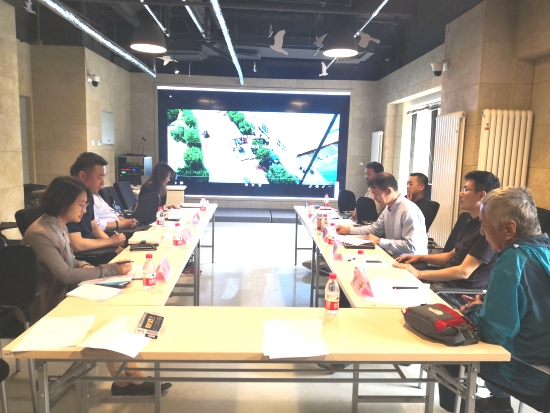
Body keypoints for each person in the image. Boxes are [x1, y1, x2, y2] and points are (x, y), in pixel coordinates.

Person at [20, 176, 172, 396]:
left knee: (114, 308)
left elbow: (69, 261)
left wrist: (85, 265)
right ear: (64, 202)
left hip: (64, 293)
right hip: (48, 303)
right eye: (81, 204)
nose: (84, 211)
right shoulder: (40, 233)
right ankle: (129, 379)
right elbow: (64, 274)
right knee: (107, 317)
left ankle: (125, 379)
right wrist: (109, 269)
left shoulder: (57, 225)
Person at [439, 187, 550, 413]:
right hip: (542, 362)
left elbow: (493, 332)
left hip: (526, 371)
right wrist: (488, 300)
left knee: (447, 349)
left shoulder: (513, 259)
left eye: (485, 225)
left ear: (509, 229)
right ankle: (498, 403)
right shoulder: (543, 250)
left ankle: (461, 409)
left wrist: (472, 311)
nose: (482, 232)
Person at [394, 171, 500, 308]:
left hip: (457, 294)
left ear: (481, 195)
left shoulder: (486, 231)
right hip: (444, 285)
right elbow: (451, 255)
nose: (460, 194)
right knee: (397, 282)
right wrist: (419, 257)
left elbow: (464, 272)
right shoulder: (472, 221)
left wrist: (420, 274)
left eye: (465, 189)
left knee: (400, 299)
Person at [336, 172, 428, 257]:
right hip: (392, 255)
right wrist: (349, 230)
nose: (374, 198)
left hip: (409, 261)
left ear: (388, 191)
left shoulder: (408, 210)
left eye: (376, 194)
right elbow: (374, 229)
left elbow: (411, 246)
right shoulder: (389, 207)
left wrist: (380, 241)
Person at [69, 152, 126, 253]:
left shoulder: (88, 195)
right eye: (99, 177)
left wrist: (116, 247)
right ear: (82, 176)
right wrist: (111, 241)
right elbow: (77, 245)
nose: (103, 182)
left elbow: (94, 226)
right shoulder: (69, 199)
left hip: (93, 249)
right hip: (84, 254)